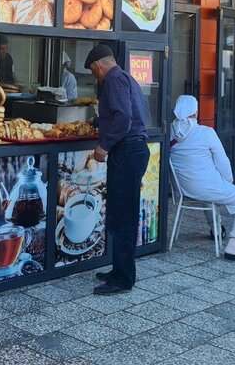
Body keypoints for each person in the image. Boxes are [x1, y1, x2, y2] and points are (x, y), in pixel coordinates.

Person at [85, 44, 149, 295]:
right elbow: (122, 114)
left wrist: (105, 145)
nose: (95, 77)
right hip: (133, 151)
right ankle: (119, 270)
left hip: (127, 152)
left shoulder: (113, 79)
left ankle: (123, 279)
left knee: (122, 218)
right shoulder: (125, 78)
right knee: (121, 215)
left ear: (97, 66)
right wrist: (98, 122)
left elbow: (123, 118)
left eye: (93, 72)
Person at [168, 95, 235, 261]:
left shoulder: (169, 132)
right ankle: (234, 247)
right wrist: (228, 182)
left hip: (181, 188)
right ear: (195, 113)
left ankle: (216, 230)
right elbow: (222, 162)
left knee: (206, 195)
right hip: (205, 188)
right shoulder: (206, 132)